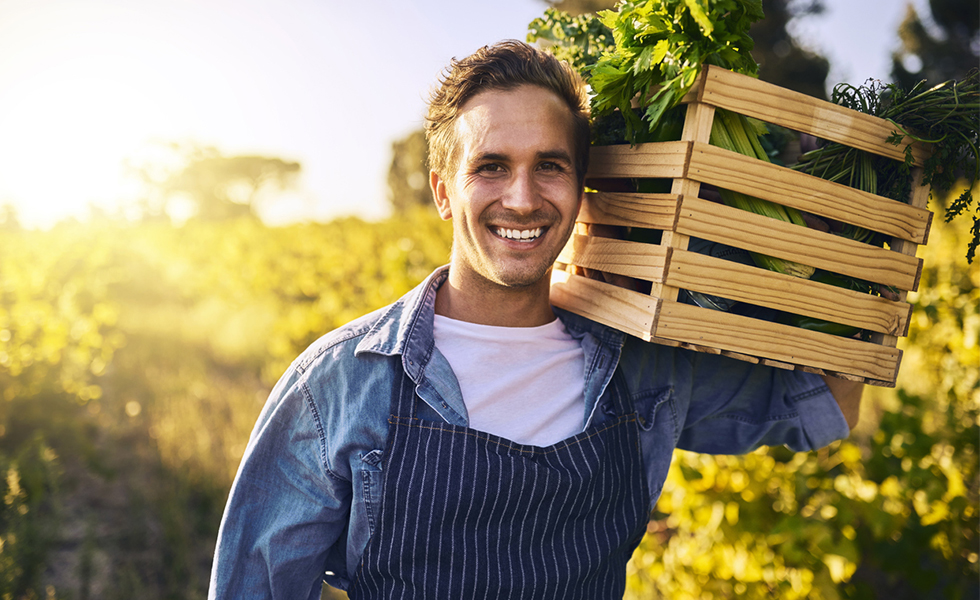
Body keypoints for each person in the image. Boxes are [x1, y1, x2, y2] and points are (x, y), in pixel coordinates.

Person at [208, 40, 862, 600]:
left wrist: (831, 232)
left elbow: (820, 406)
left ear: (580, 188)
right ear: (443, 190)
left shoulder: (638, 366)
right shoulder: (342, 385)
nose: (522, 199)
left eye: (549, 166)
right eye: (491, 167)